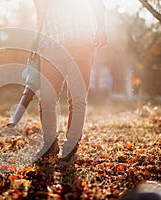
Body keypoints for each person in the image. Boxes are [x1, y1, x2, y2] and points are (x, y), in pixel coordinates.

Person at [32, 0, 107, 165]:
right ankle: (50, 143)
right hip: (51, 45)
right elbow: (40, 17)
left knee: (77, 97)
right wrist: (36, 45)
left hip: (79, 40)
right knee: (47, 96)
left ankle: (71, 146)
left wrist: (101, 26)